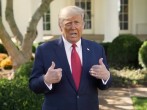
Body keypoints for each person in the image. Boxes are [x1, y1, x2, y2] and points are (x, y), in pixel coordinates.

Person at [29, 5, 112, 110]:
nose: (73, 27)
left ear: (83, 25)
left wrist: (106, 76)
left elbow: (105, 85)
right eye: (68, 23)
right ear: (60, 27)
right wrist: (46, 80)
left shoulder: (97, 49)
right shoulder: (44, 50)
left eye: (77, 22)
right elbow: (33, 85)